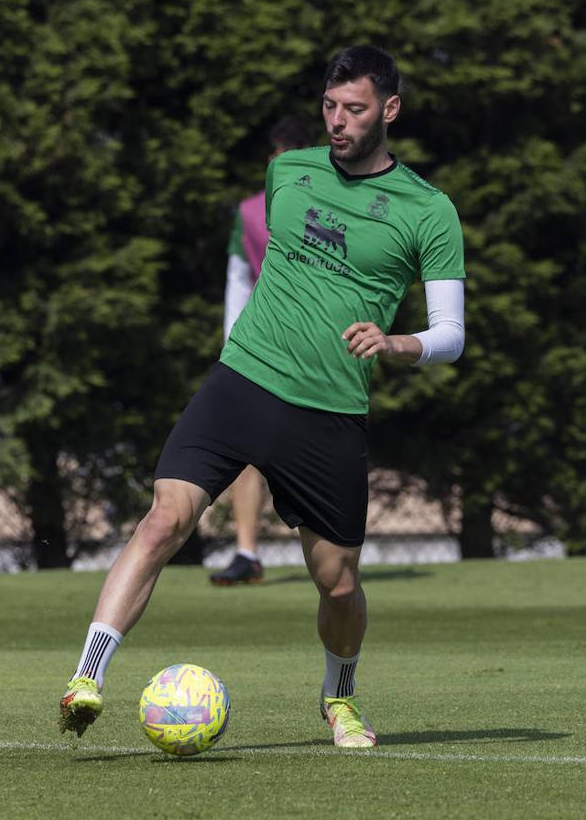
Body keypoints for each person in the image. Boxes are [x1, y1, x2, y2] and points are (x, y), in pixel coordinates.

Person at [59, 46, 467, 748]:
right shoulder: (288, 172)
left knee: (337, 584)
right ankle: (86, 679)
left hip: (330, 411)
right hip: (243, 380)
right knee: (164, 518)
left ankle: (340, 698)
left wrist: (399, 344)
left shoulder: (429, 212)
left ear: (390, 110)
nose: (337, 122)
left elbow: (452, 334)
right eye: (329, 107)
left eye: (356, 109)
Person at [209, 115, 313, 587]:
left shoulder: (332, 209)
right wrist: (234, 344)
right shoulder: (251, 211)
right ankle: (247, 552)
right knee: (246, 448)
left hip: (316, 346)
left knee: (312, 445)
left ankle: (330, 552)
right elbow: (238, 278)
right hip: (261, 345)